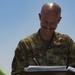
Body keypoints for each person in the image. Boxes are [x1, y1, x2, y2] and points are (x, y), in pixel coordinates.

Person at [11, 2, 75, 75]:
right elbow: (16, 73)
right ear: (40, 17)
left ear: (59, 20)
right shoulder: (25, 45)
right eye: (45, 21)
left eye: (52, 23)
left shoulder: (67, 43)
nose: (48, 26)